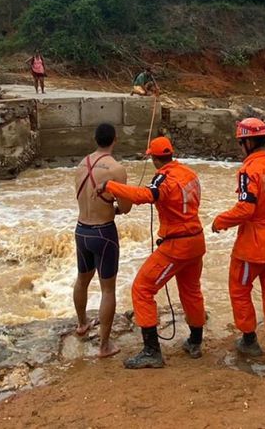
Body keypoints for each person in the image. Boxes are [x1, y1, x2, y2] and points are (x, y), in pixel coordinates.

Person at [97, 136, 206, 369]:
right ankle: (195, 341)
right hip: (196, 240)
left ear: (155, 158)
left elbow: (145, 196)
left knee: (142, 289)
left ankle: (151, 351)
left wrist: (109, 186)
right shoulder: (189, 173)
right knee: (191, 291)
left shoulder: (163, 178)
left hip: (177, 245)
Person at [210, 117, 265, 378]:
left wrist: (220, 221)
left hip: (252, 247)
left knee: (239, 290)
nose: (239, 148)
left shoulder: (249, 171)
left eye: (240, 143)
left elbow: (246, 208)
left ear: (247, 142)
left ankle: (249, 340)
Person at [73, 123, 132, 358]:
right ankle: (104, 345)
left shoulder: (80, 165)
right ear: (114, 140)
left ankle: (81, 324)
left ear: (94, 138)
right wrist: (115, 209)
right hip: (103, 232)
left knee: (82, 279)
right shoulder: (116, 169)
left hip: (81, 230)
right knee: (108, 290)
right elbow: (125, 207)